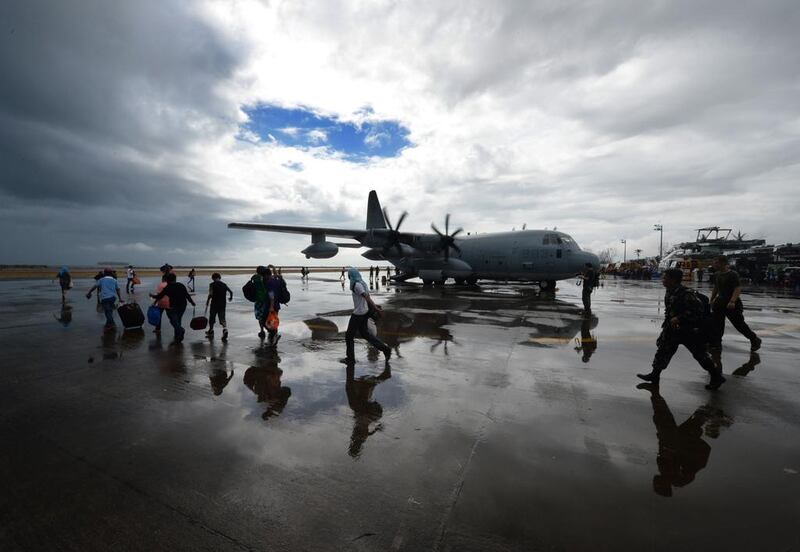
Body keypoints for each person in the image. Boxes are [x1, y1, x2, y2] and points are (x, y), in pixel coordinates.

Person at [637, 268, 725, 390]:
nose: (663, 280)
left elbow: (697, 310)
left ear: (673, 280)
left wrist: (680, 318)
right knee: (663, 350)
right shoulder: (670, 291)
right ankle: (654, 375)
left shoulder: (686, 293)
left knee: (700, 355)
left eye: (665, 278)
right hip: (673, 329)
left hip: (689, 331)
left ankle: (716, 377)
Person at [637, 383, 729, 497]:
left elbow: (663, 451)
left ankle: (655, 395)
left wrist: (662, 440)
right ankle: (708, 413)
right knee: (671, 425)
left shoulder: (664, 469)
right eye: (658, 485)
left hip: (676, 441)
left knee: (663, 421)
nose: (655, 482)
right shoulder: (680, 479)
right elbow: (698, 460)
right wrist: (678, 449)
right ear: (667, 486)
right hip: (692, 447)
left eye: (655, 484)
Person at [709, 256, 761, 352]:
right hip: (719, 303)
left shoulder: (732, 274)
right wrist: (711, 300)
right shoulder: (717, 274)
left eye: (716, 262)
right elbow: (716, 288)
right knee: (717, 325)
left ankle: (754, 339)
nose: (714, 264)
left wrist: (732, 301)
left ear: (723, 263)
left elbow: (737, 288)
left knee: (739, 325)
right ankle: (716, 344)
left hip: (732, 304)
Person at [342, 267, 392, 364]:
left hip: (358, 313)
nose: (348, 276)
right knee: (365, 334)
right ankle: (385, 349)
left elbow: (367, 298)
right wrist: (374, 307)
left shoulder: (357, 285)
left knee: (349, 336)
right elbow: (367, 297)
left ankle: (350, 359)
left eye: (349, 274)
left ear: (351, 275)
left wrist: (376, 309)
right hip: (364, 312)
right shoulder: (361, 283)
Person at [150, 272, 195, 342]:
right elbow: (187, 295)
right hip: (183, 306)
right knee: (178, 319)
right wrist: (192, 302)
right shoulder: (180, 285)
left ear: (167, 280)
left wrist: (152, 296)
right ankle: (178, 336)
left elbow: (159, 296)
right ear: (175, 279)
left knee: (173, 321)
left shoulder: (167, 288)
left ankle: (180, 330)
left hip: (174, 306)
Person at [205, 272, 233, 341]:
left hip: (214, 304)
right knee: (222, 318)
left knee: (212, 317)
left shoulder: (212, 284)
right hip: (222, 304)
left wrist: (208, 301)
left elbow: (211, 294)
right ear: (219, 277)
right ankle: (225, 329)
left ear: (213, 278)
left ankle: (211, 331)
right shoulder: (224, 284)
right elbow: (231, 292)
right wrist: (230, 298)